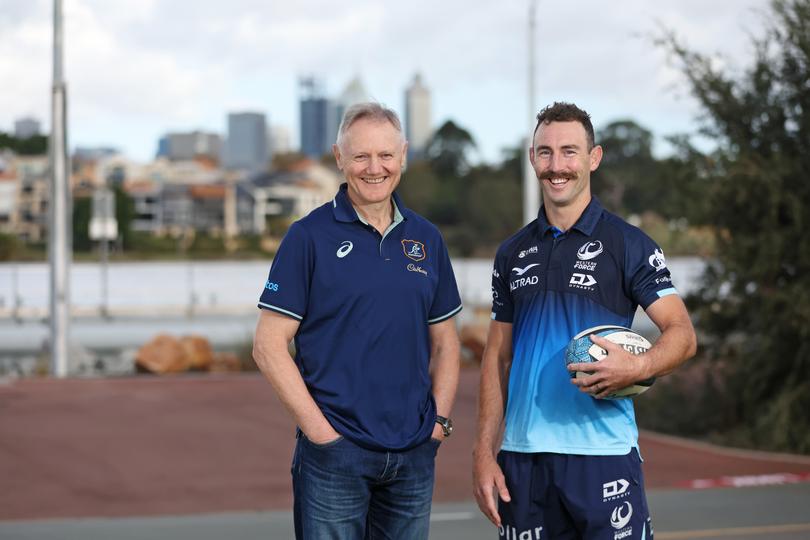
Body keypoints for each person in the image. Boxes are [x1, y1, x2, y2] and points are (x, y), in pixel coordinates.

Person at [473, 102, 697, 540]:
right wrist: (484, 451)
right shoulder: (512, 252)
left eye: (570, 151)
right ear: (532, 157)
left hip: (604, 455)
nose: (557, 166)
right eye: (546, 152)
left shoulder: (629, 244)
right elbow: (497, 356)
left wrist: (640, 366)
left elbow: (683, 335)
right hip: (523, 458)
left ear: (593, 158)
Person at [253, 102, 462, 540]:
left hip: (413, 455)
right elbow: (268, 346)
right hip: (335, 457)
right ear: (339, 158)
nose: (375, 168)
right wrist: (322, 435)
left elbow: (445, 344)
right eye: (361, 156)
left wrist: (438, 426)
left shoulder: (426, 239)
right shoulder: (307, 237)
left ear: (403, 155)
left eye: (386, 155)